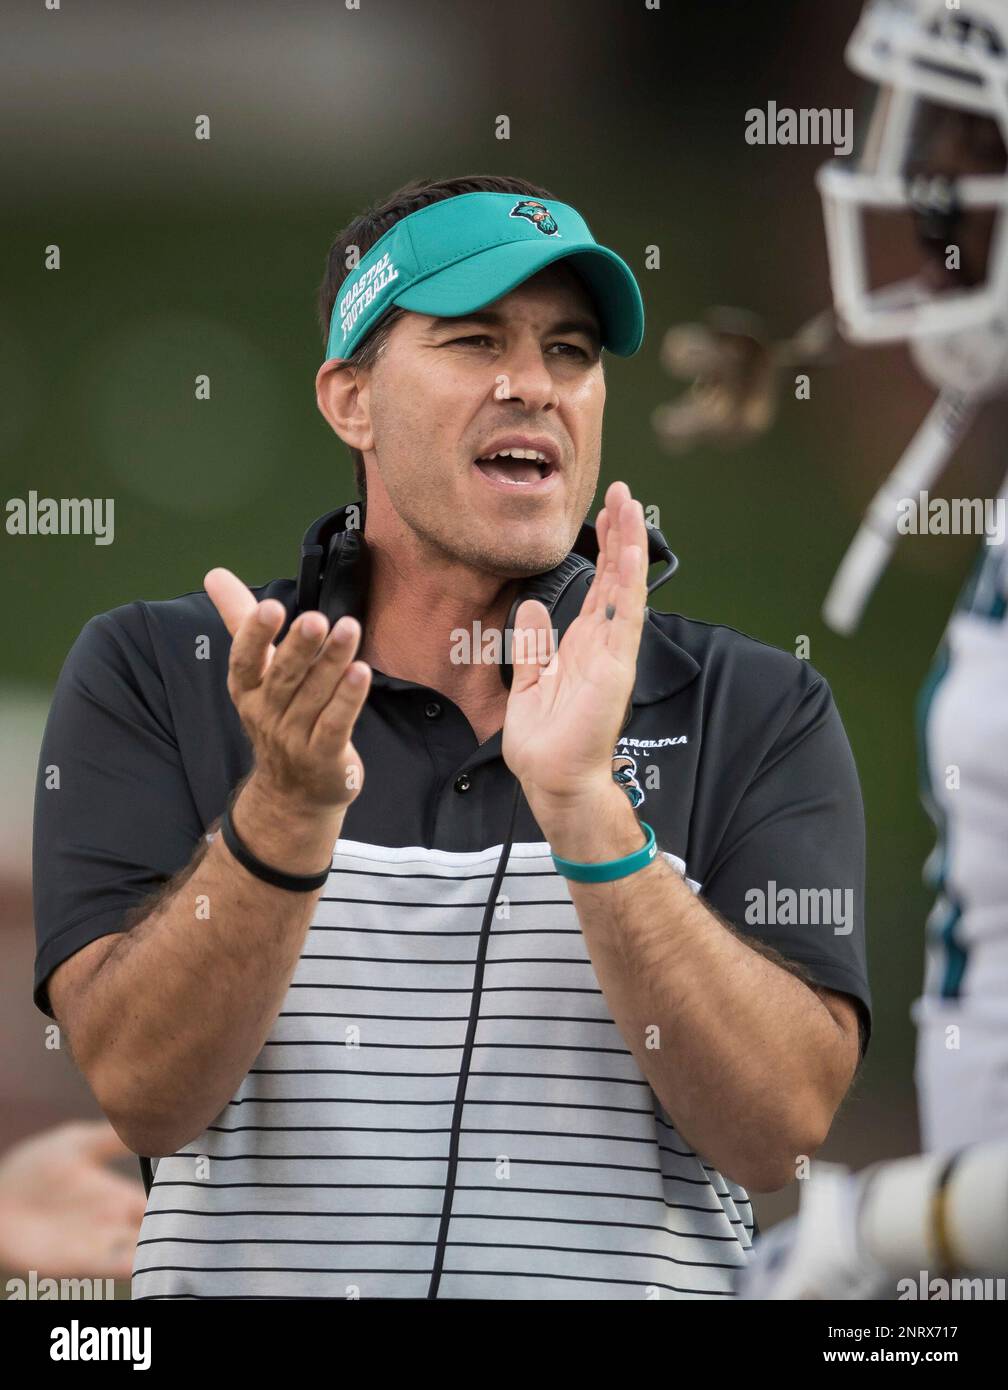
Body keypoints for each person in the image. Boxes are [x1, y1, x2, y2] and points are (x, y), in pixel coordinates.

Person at [32, 173, 869, 1301]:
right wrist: (282, 807)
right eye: (476, 340)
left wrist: (587, 810)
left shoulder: (757, 703)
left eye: (571, 352)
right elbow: (144, 1091)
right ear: (350, 400)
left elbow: (778, 1136)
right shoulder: (166, 669)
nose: (534, 385)